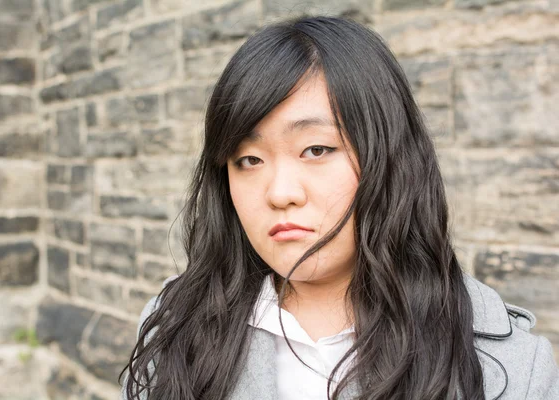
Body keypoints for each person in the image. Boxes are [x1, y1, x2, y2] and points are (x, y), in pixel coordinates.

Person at [119, 15, 559, 400]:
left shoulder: (508, 367)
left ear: (388, 158)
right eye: (249, 160)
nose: (280, 193)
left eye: (316, 149)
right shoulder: (175, 328)